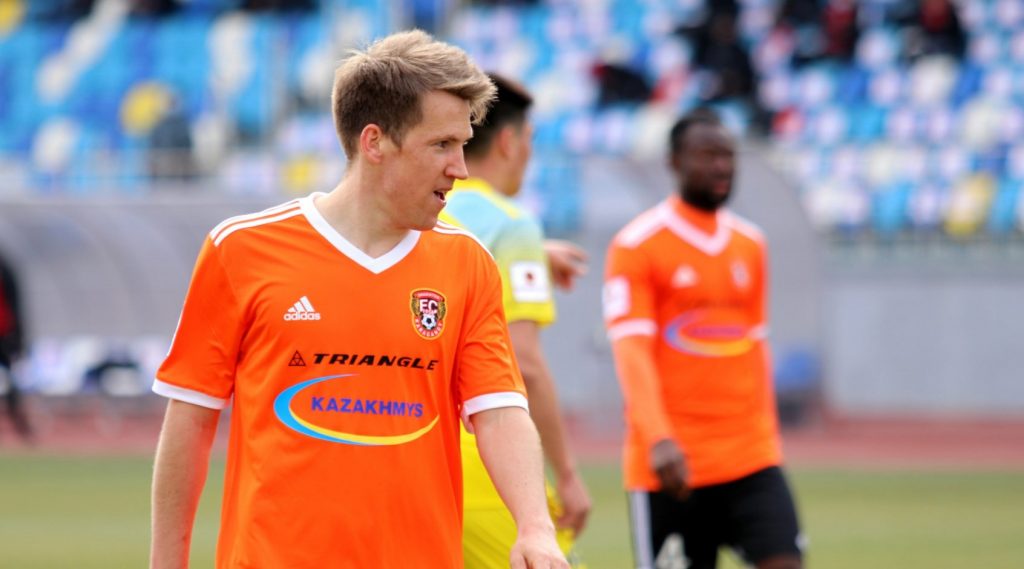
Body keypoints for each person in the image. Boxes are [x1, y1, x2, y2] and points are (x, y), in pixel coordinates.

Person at [150, 30, 568, 569]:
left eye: (464, 144)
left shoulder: (468, 263)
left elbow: (499, 412)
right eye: (442, 145)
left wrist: (535, 528)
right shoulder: (241, 249)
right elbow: (190, 418)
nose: (461, 168)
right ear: (375, 143)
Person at [602, 108, 804, 569]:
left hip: (750, 456)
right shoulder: (637, 244)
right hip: (673, 463)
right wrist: (658, 438)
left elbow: (754, 345)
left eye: (728, 156)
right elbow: (632, 350)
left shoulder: (750, 244)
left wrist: (768, 436)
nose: (721, 166)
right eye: (707, 155)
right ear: (675, 162)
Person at [438, 73, 591, 568]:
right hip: (486, 464)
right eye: (530, 139)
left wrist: (536, 253)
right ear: (508, 142)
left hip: (418, 459)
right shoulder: (512, 225)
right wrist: (567, 473)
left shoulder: (418, 211)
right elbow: (523, 363)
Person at [0, 252, 32, 442]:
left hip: (5, 335)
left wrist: (18, 338)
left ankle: (20, 426)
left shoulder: (5, 270)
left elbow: (15, 304)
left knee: (11, 382)